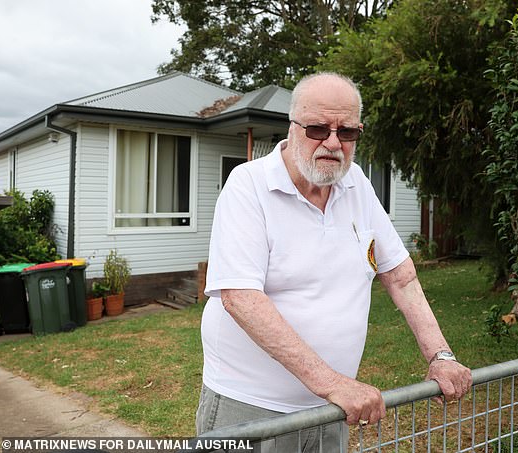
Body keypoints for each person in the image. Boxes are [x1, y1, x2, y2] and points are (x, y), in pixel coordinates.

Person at [197, 72, 472, 451]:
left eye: (346, 132)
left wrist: (440, 355)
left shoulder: (356, 183)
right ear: (292, 128)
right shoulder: (248, 185)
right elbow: (240, 298)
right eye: (317, 129)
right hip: (251, 409)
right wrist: (334, 383)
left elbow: (400, 275)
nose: (332, 143)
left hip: (329, 409)